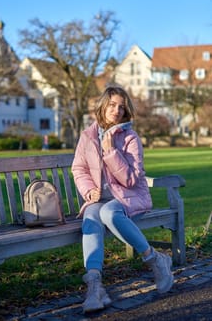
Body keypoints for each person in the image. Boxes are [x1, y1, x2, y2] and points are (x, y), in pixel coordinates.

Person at [71, 84, 174, 313]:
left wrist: (110, 152)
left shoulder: (130, 138)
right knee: (91, 216)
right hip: (99, 199)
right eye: (112, 105)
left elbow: (130, 180)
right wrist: (89, 191)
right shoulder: (87, 136)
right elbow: (79, 169)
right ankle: (95, 287)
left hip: (128, 197)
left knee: (108, 213)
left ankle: (156, 260)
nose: (117, 110)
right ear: (102, 106)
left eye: (121, 107)